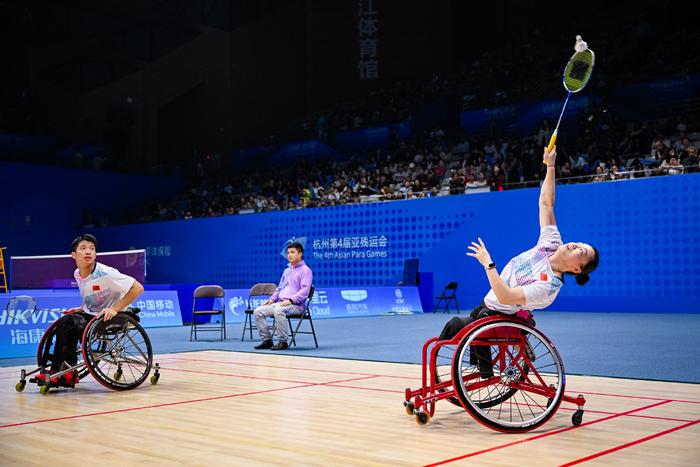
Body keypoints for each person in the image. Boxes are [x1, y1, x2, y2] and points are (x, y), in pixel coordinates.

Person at [439, 145, 599, 347]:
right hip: (488, 306)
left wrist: (488, 264)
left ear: (576, 269)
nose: (575, 244)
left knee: (454, 326)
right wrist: (550, 165)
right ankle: (490, 367)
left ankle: (436, 368)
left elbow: (505, 297)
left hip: (498, 314)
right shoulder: (551, 243)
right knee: (472, 326)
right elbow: (546, 203)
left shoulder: (548, 287)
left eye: (581, 251)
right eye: (579, 243)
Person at [38, 233, 144, 385]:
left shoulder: (106, 273)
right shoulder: (77, 274)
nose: (88, 251)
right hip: (95, 316)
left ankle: (59, 370)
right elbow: (94, 296)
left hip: (116, 316)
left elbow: (138, 288)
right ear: (73, 255)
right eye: (83, 248)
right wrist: (81, 308)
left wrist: (115, 309)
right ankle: (67, 371)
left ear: (95, 253)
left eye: (92, 248)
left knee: (71, 323)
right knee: (66, 321)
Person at [253, 242, 313, 350]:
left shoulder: (306, 271)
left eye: (292, 252)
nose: (289, 255)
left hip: (296, 306)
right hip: (280, 303)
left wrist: (291, 300)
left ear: (300, 254)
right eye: (288, 252)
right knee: (258, 311)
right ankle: (267, 340)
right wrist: (271, 299)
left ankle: (282, 341)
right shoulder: (287, 271)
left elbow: (304, 291)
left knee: (279, 311)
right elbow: (279, 288)